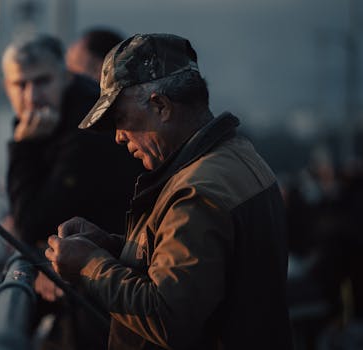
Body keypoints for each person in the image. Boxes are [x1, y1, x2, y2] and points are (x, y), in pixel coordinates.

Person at [46, 33, 293, 349]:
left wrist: (89, 265)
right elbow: (198, 267)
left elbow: (166, 315)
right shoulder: (238, 156)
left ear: (161, 106)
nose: (119, 137)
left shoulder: (197, 193)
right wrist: (110, 247)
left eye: (120, 118)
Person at [1, 34, 141, 349]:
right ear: (5, 86)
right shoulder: (53, 115)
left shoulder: (87, 129)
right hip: (98, 287)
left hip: (112, 300)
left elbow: (31, 223)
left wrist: (23, 147)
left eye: (42, 81)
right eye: (20, 85)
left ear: (65, 76)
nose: (32, 96)